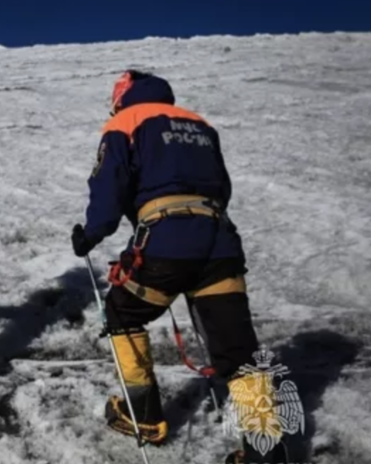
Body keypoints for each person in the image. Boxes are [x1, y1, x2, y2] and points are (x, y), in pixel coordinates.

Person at [71, 70, 282, 463]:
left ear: (123, 96)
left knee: (121, 311)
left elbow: (109, 185)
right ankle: (266, 451)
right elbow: (222, 186)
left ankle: (144, 415)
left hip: (166, 241)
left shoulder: (125, 122)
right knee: (238, 350)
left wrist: (91, 233)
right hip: (219, 242)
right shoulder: (199, 124)